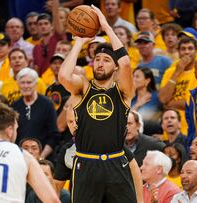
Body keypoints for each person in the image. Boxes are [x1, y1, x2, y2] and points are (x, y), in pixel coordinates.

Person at [58, 5, 136, 202]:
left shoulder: (123, 91)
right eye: (97, 59)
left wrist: (106, 27)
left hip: (116, 163)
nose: (100, 63)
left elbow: (126, 63)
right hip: (86, 163)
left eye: (107, 60)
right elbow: (64, 75)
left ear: (115, 67)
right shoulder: (83, 87)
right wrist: (79, 42)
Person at [159, 37, 197, 135]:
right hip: (171, 129)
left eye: (190, 48)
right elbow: (163, 99)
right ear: (178, 52)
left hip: (194, 126)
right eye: (183, 49)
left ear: (196, 51)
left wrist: (170, 104)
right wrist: (177, 72)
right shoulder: (170, 71)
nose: (186, 52)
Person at [12, 68, 59, 159]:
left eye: (29, 82)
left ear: (36, 84)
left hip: (43, 157)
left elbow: (54, 135)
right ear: (18, 84)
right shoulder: (14, 106)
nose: (25, 86)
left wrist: (41, 157)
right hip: (20, 157)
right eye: (22, 82)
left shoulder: (47, 104)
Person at [131, 67, 163, 135]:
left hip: (153, 137)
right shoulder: (131, 99)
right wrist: (138, 105)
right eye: (133, 76)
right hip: (135, 137)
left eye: (137, 77)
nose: (134, 79)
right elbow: (127, 119)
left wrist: (162, 135)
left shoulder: (156, 97)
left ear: (147, 80)